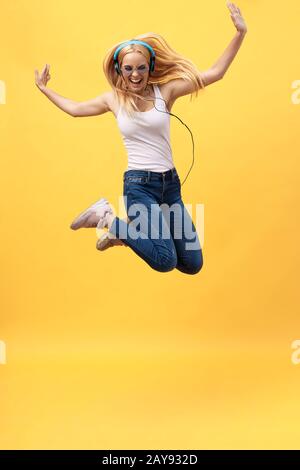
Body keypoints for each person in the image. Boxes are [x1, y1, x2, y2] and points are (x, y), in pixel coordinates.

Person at [34, 2, 247, 274]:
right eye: (128, 69)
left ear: (150, 67)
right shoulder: (112, 100)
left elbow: (214, 73)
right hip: (139, 187)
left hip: (170, 186)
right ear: (119, 69)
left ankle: (122, 234)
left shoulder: (166, 92)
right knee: (165, 261)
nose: (135, 75)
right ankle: (107, 217)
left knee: (192, 264)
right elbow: (76, 110)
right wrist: (44, 89)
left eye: (141, 68)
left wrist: (239, 34)